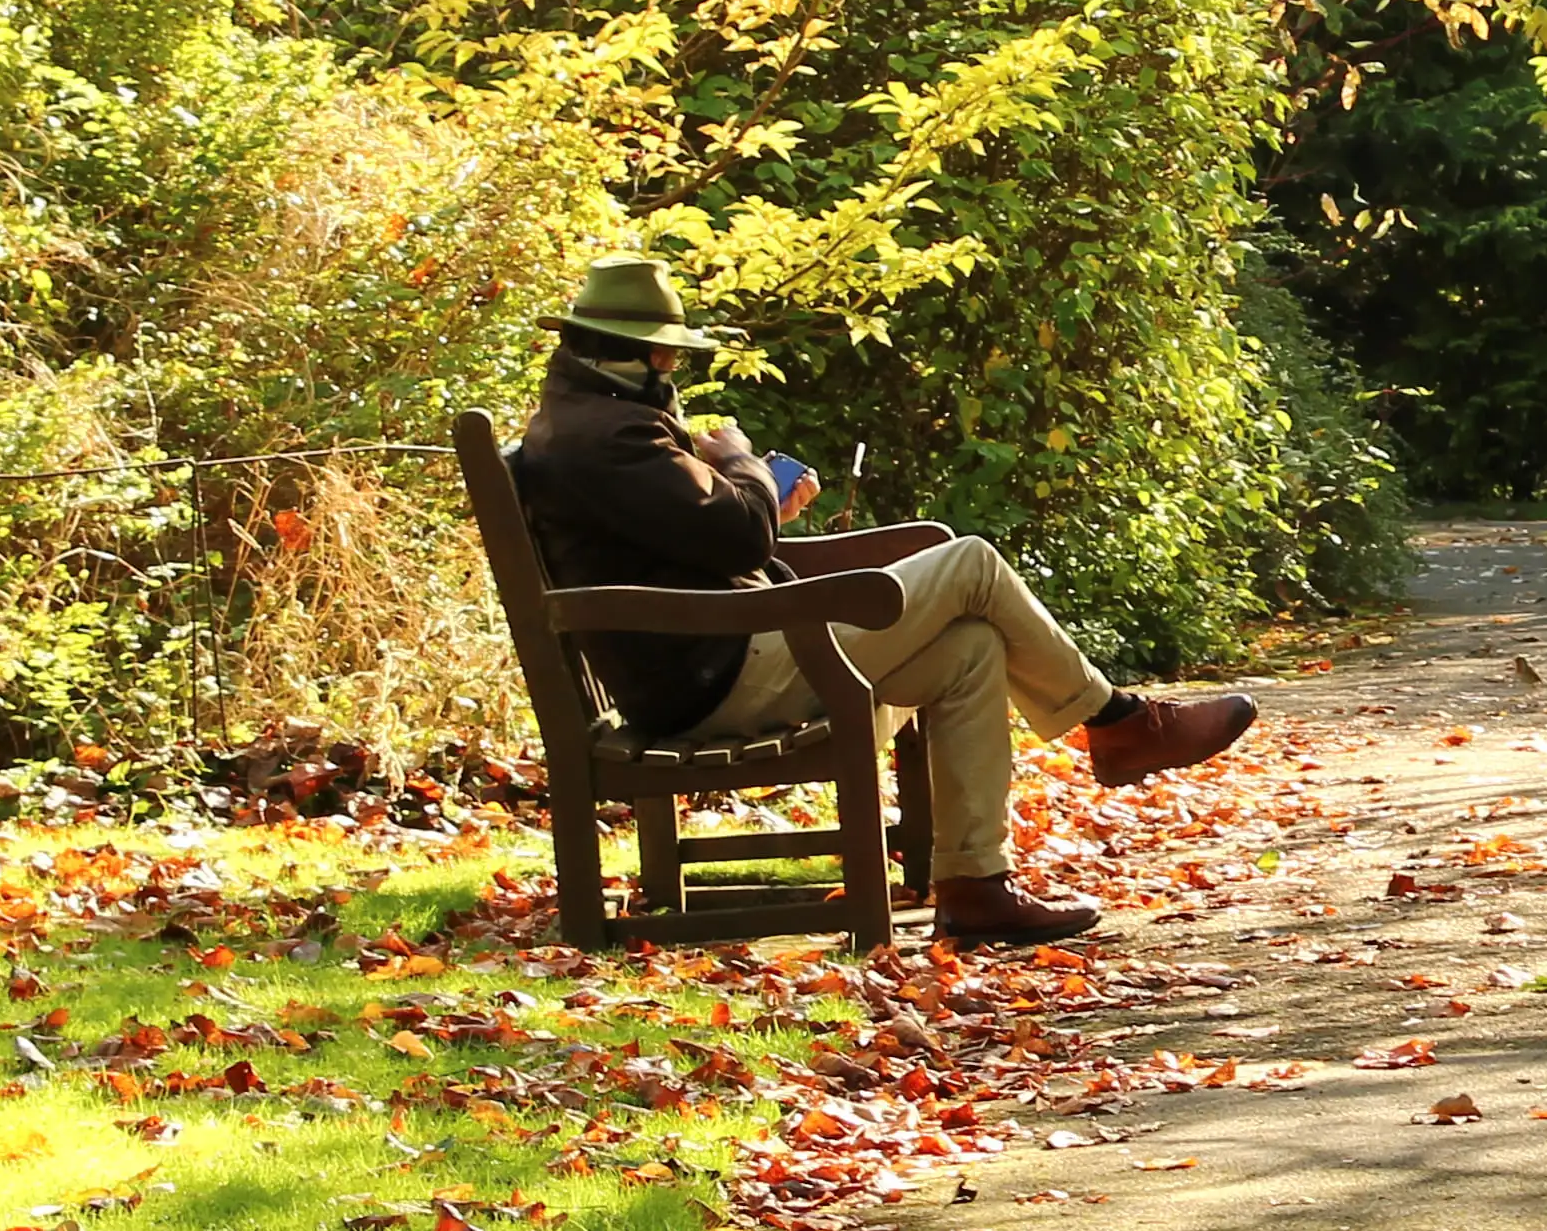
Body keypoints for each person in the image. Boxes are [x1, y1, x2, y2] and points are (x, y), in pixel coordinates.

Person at [507, 257, 1256, 946]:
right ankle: (1121, 725)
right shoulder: (608, 436)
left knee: (971, 652)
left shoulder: (590, 421)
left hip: (714, 658)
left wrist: (759, 505)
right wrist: (740, 464)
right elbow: (734, 536)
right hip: (716, 677)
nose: (671, 365)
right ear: (632, 351)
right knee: (971, 563)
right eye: (667, 352)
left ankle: (974, 887)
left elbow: (695, 543)